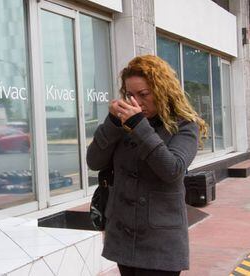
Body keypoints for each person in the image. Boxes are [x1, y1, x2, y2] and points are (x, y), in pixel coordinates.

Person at [86, 55, 207, 276]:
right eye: (130, 95)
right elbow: (94, 162)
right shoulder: (123, 123)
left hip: (160, 240)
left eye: (144, 94)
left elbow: (172, 169)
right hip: (123, 234)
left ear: (162, 90)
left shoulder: (184, 125)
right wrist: (112, 123)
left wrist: (138, 126)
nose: (137, 102)